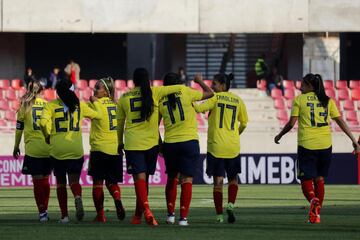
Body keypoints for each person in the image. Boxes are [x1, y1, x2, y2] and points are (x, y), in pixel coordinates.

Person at [274, 73, 360, 224]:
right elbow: (340, 120)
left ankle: (313, 201)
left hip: (307, 145)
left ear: (310, 86)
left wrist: (279, 135)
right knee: (320, 178)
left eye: (303, 84)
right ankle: (316, 215)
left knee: (305, 179)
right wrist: (354, 140)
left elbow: (291, 123)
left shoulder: (299, 99)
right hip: (325, 145)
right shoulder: (327, 100)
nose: (300, 87)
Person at [117, 67, 183, 226]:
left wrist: (120, 142)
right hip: (152, 144)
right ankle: (139, 215)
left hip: (133, 144)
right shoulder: (156, 92)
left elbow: (119, 124)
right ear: (147, 79)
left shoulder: (124, 97)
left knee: (139, 180)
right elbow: (179, 88)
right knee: (144, 179)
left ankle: (145, 211)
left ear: (134, 80)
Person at [40, 77, 102, 223]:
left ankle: (65, 216)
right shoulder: (79, 105)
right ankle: (77, 197)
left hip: (57, 149)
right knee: (74, 181)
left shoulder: (51, 106)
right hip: (75, 148)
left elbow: (42, 123)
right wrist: (95, 102)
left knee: (61, 183)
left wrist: (47, 136)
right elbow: (98, 115)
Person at [159, 72, 213, 226]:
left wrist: (160, 144)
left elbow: (155, 125)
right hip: (189, 142)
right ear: (179, 83)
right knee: (187, 179)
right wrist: (200, 81)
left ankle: (170, 215)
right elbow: (210, 93)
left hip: (170, 143)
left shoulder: (161, 99)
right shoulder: (187, 92)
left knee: (171, 178)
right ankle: (183, 218)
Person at [194, 73, 248, 224]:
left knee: (218, 181)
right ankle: (231, 204)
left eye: (214, 84)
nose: (212, 87)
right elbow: (244, 123)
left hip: (216, 146)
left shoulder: (215, 98)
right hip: (233, 146)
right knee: (233, 179)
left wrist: (189, 100)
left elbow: (198, 109)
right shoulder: (238, 100)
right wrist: (236, 134)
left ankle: (219, 216)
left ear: (223, 85)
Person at [12, 80, 52, 222]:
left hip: (33, 150)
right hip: (48, 149)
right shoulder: (48, 105)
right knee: (46, 181)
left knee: (37, 182)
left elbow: (19, 129)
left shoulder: (25, 106)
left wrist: (16, 146)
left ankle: (42, 212)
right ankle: (45, 209)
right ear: (42, 90)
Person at [88, 77, 125, 223]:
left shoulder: (95, 104)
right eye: (95, 86)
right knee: (112, 181)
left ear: (106, 92)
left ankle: (101, 215)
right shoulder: (117, 105)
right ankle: (117, 198)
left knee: (97, 183)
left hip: (99, 148)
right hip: (115, 149)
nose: (95, 89)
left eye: (98, 87)